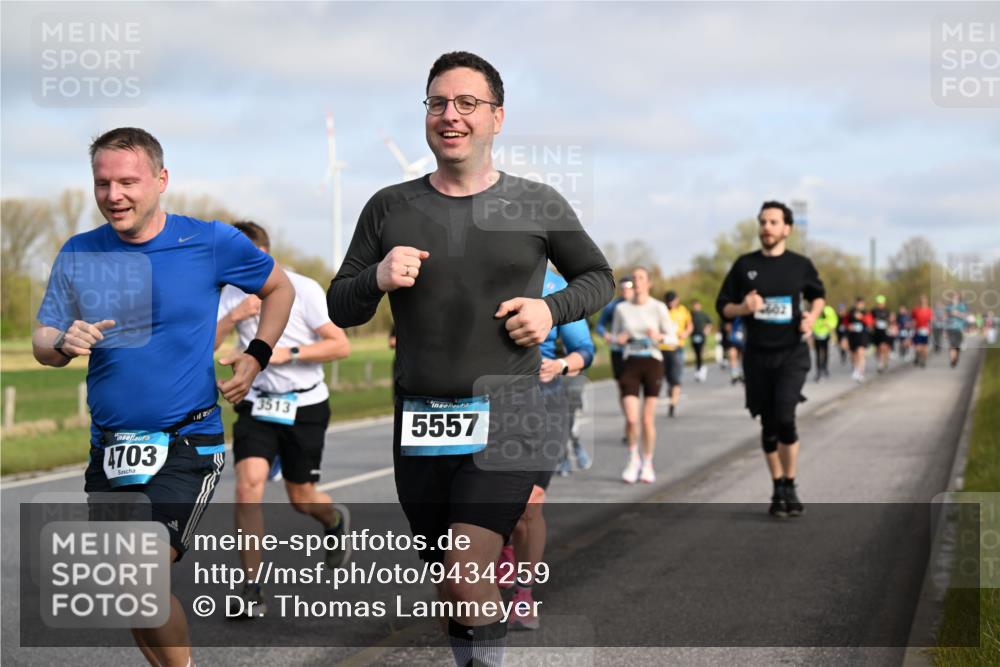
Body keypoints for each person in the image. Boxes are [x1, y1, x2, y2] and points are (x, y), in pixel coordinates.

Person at [326, 52, 613, 667]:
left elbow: (598, 277)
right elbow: (341, 305)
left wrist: (551, 310)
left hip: (509, 414)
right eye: (436, 103)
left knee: (464, 570)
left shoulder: (537, 203)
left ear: (496, 118)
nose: (449, 115)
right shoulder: (388, 206)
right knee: (453, 588)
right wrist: (375, 276)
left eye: (466, 104)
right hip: (421, 424)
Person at [32, 128, 294, 667]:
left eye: (128, 181)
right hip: (110, 448)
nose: (114, 195)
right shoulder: (80, 252)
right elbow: (43, 339)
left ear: (161, 180)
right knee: (128, 590)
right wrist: (62, 342)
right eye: (102, 183)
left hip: (185, 442)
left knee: (141, 572)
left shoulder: (210, 242)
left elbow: (278, 288)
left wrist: (258, 353)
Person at [215, 221, 352, 618]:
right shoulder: (229, 294)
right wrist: (235, 315)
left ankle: (333, 520)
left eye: (244, 263)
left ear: (263, 256)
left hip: (305, 405)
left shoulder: (303, 288)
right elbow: (208, 342)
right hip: (257, 403)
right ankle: (251, 587)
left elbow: (339, 345)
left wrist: (285, 353)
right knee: (247, 487)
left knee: (301, 497)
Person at [716, 201, 824, 518]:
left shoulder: (800, 265)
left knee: (785, 416)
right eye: (763, 222)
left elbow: (818, 295)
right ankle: (778, 486)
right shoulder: (744, 265)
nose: (767, 227)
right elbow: (722, 306)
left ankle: (790, 481)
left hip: (791, 353)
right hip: (757, 356)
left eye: (773, 222)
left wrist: (812, 318)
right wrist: (743, 308)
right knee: (767, 424)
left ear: (786, 228)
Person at [503, 267, 595, 631]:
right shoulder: (480, 267)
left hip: (543, 404)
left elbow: (584, 350)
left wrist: (558, 365)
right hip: (488, 402)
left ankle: (523, 593)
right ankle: (503, 553)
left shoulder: (554, 285)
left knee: (529, 503)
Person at [612, 267, 676, 483]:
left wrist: (659, 336)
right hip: (630, 363)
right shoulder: (622, 309)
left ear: (649, 283)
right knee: (631, 418)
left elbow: (673, 339)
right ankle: (633, 460)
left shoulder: (658, 308)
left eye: (641, 278)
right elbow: (614, 337)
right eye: (634, 278)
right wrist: (618, 339)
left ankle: (647, 463)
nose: (636, 282)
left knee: (647, 420)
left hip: (652, 363)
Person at [595, 277, 635, 446]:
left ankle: (631, 423)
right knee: (623, 388)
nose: (626, 291)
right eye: (623, 289)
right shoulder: (613, 306)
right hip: (618, 352)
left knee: (633, 389)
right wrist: (607, 336)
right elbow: (600, 325)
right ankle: (630, 420)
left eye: (629, 288)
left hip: (636, 352)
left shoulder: (641, 305)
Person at [660, 290, 693, 417]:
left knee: (676, 377)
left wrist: (686, 333)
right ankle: (670, 389)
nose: (671, 304)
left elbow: (689, 325)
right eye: (668, 301)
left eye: (672, 301)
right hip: (662, 348)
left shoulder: (683, 310)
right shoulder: (661, 310)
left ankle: (672, 405)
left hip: (677, 347)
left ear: (677, 300)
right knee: (664, 377)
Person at [846, 297, 871, 382]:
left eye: (861, 304)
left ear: (863, 304)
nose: (859, 306)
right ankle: (856, 369)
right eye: (857, 304)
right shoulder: (851, 312)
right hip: (853, 336)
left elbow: (870, 323)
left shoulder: (866, 313)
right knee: (854, 354)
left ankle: (861, 372)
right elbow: (846, 323)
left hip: (862, 336)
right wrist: (849, 326)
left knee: (861, 353)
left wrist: (862, 318)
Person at [811, 303, 838, 382]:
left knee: (825, 352)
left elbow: (834, 320)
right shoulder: (814, 310)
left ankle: (825, 368)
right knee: (818, 354)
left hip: (826, 334)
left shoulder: (828, 310)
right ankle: (819, 371)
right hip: (816, 335)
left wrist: (828, 325)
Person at [690, 299, 713, 382]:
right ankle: (698, 369)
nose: (695, 307)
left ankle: (701, 369)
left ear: (699, 306)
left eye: (697, 305)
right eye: (694, 305)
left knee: (700, 353)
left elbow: (710, 323)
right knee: (696, 354)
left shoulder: (703, 314)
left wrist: (707, 330)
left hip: (701, 336)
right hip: (693, 336)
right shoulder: (690, 314)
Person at [871, 295, 892, 373]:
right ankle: (880, 361)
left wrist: (889, 323)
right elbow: (869, 320)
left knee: (883, 347)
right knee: (877, 349)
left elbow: (890, 321)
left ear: (884, 303)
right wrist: (874, 322)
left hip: (884, 332)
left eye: (881, 303)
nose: (880, 304)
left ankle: (881, 363)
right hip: (876, 332)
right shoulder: (873, 311)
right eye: (878, 303)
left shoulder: (887, 311)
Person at [946, 293, 968, 367]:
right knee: (952, 345)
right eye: (954, 297)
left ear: (959, 299)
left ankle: (956, 358)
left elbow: (965, 316)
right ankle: (952, 360)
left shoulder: (962, 306)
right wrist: (945, 329)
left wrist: (957, 313)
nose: (955, 299)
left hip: (959, 329)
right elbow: (945, 317)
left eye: (956, 298)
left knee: (957, 346)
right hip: (950, 328)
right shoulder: (949, 307)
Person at [911, 295, 933, 367]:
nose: (923, 302)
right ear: (919, 301)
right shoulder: (915, 310)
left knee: (925, 348)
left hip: (926, 330)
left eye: (924, 300)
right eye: (921, 300)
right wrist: (912, 328)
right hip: (918, 330)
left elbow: (931, 321)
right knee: (917, 348)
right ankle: (917, 357)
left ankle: (924, 361)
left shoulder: (929, 310)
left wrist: (930, 330)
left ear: (927, 301)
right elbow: (913, 320)